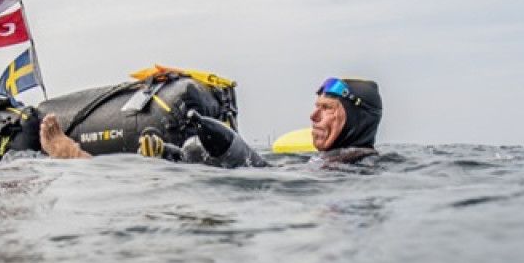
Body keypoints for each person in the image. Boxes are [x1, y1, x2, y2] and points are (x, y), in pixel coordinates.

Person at [39, 76, 382, 166]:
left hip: (262, 181)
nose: (313, 115)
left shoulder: (355, 167)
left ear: (355, 118)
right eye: (315, 105)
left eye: (327, 108)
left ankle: (74, 156)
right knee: (184, 155)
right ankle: (164, 157)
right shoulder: (330, 162)